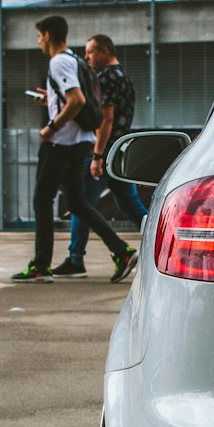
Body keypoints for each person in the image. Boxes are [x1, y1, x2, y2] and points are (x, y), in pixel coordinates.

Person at [12, 14, 138, 283]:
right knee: (79, 203)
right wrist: (53, 100)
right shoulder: (76, 62)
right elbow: (78, 98)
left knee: (43, 201)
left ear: (48, 35)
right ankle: (121, 251)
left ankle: (41, 266)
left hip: (61, 144)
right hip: (80, 142)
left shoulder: (58, 62)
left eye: (39, 36)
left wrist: (51, 127)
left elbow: (77, 100)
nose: (38, 42)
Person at [54, 33, 148, 278]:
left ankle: (76, 260)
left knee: (81, 203)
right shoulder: (125, 78)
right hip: (120, 151)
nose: (86, 57)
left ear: (105, 51)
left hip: (104, 151)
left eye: (90, 52)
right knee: (129, 203)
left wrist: (97, 155)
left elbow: (106, 118)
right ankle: (160, 241)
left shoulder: (105, 78)